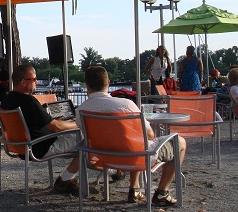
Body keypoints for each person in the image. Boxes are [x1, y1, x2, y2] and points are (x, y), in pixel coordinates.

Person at [76, 66, 186, 206]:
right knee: (179, 142)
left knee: (134, 142)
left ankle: (134, 189)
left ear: (87, 84)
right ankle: (162, 193)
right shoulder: (126, 105)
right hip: (135, 158)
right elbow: (150, 134)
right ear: (108, 82)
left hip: (104, 159)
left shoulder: (81, 110)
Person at [0, 65, 80, 196]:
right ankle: (65, 180)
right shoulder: (28, 101)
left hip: (20, 148)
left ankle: (112, 171)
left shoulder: (7, 100)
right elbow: (55, 127)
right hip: (40, 147)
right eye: (34, 79)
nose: (37, 82)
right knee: (87, 142)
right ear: (23, 82)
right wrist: (77, 124)